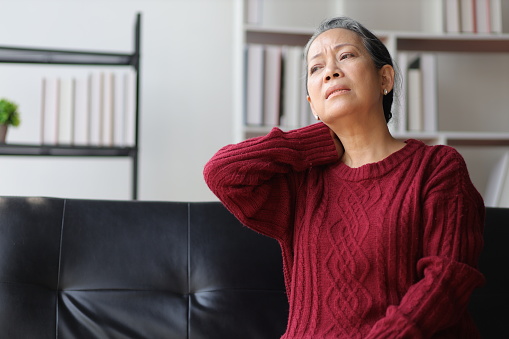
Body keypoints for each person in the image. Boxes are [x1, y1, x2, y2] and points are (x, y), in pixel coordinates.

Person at [203, 16, 485, 338]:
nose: (331, 72)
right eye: (315, 68)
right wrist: (316, 141)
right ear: (312, 105)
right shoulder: (303, 186)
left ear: (385, 79)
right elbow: (222, 173)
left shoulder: (436, 167)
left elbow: (449, 277)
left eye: (346, 56)